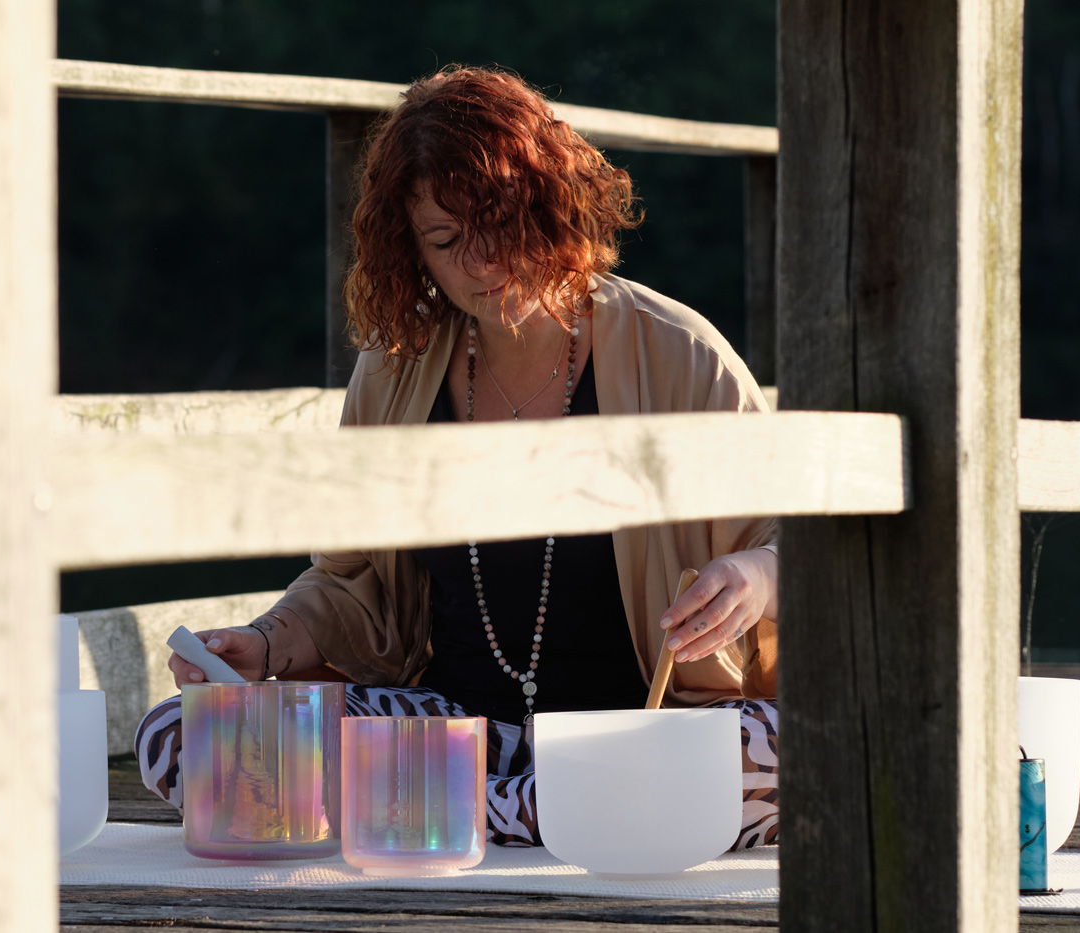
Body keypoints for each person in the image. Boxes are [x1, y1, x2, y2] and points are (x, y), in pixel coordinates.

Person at [136, 65, 780, 849]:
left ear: (549, 200)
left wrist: (759, 576)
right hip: (457, 731)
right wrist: (268, 642)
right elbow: (355, 584)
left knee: (779, 756)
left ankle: (433, 810)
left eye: (499, 223)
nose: (481, 263)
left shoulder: (680, 356)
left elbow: (808, 543)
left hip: (644, 733)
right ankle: (538, 811)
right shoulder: (397, 368)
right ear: (411, 250)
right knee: (180, 735)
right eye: (445, 240)